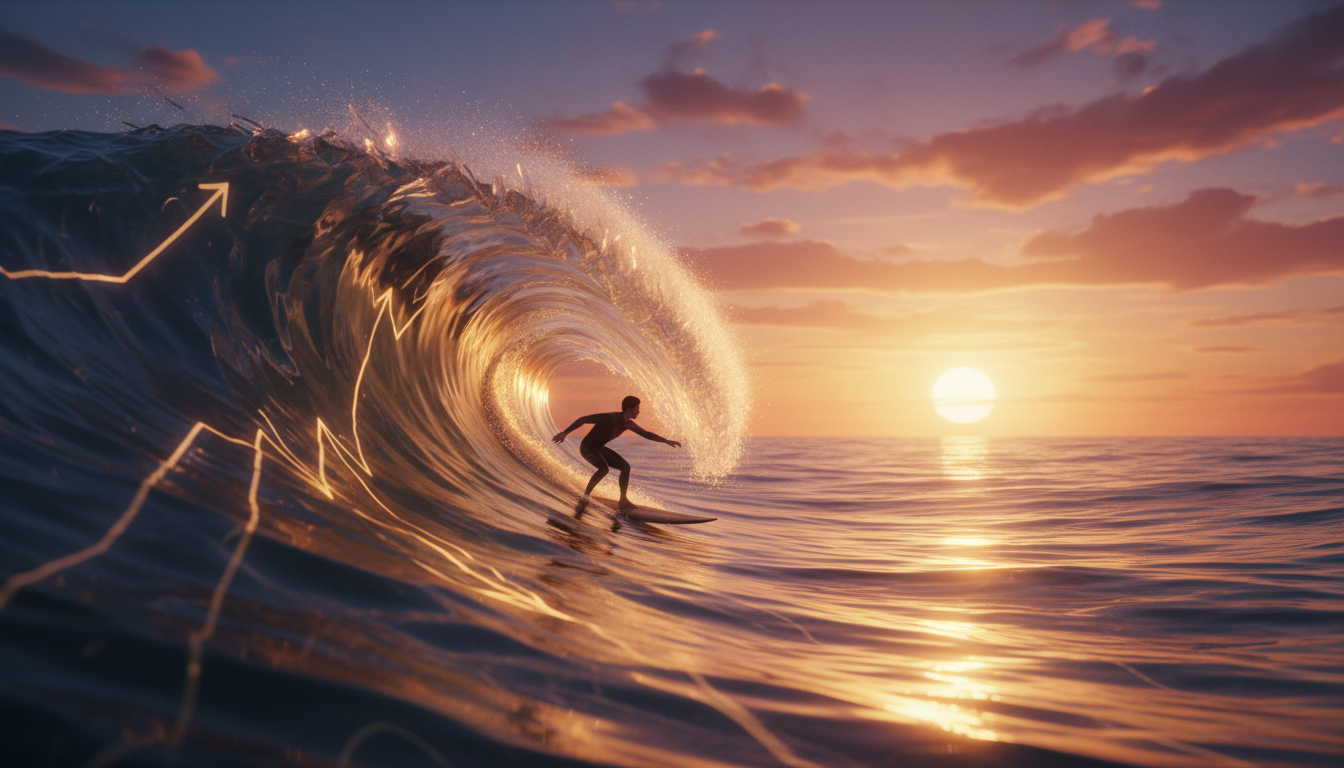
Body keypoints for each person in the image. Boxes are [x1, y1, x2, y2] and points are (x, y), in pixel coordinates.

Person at [552, 395, 681, 510]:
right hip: (587, 448)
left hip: (600, 448)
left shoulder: (628, 424)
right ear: (629, 409)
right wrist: (565, 433)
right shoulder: (611, 417)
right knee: (604, 469)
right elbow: (583, 419)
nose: (639, 411)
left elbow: (646, 434)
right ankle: (585, 496)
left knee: (625, 467)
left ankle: (623, 500)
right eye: (637, 408)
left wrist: (666, 441)